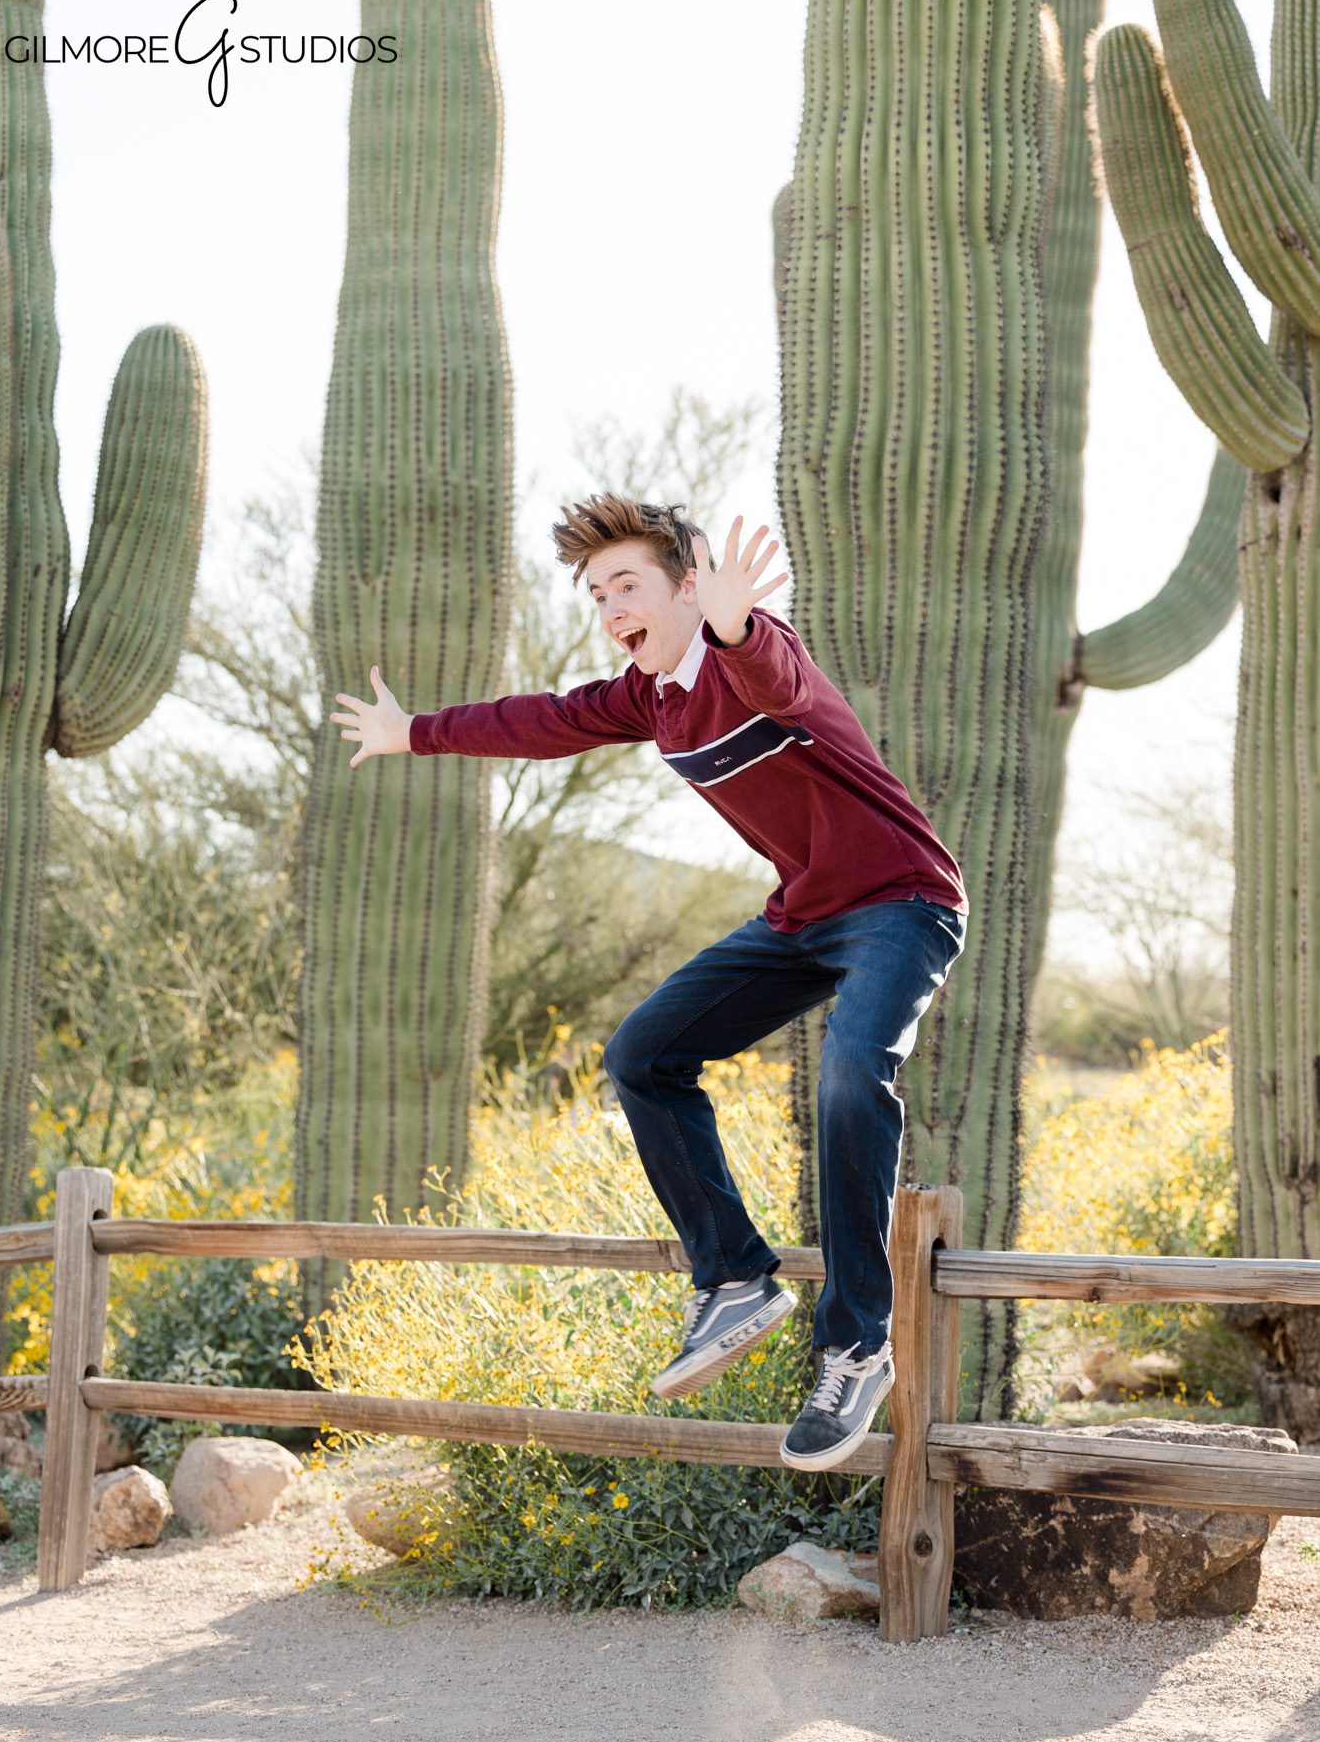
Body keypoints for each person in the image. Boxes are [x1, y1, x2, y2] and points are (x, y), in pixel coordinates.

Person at [330, 494, 967, 1471]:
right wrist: (415, 731)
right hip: (802, 913)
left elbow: (781, 680)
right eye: (596, 593)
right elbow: (540, 721)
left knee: (850, 1074)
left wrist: (738, 623)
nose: (609, 605)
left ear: (689, 583)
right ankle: (737, 1278)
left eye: (627, 583)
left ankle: (855, 1346)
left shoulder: (754, 654)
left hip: (902, 900)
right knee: (642, 1053)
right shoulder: (650, 695)